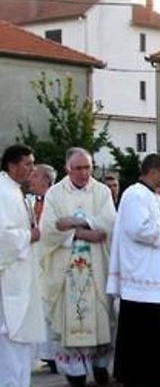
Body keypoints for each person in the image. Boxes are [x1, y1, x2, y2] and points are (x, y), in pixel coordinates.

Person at [39, 148, 117, 387]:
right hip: (66, 272)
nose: (85, 173)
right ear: (67, 169)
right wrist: (83, 232)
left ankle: (100, 366)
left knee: (101, 318)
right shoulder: (55, 193)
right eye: (79, 168)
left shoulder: (102, 191)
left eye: (88, 168)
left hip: (96, 268)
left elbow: (108, 225)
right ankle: (75, 372)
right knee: (69, 322)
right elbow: (50, 229)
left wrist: (74, 223)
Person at [107, 153, 160, 387]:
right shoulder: (135, 194)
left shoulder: (154, 197)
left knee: (155, 332)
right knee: (142, 334)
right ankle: (139, 376)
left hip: (152, 277)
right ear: (153, 171)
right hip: (141, 279)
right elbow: (139, 229)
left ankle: (155, 375)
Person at [0, 144, 46, 386]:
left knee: (19, 343)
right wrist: (29, 236)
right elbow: (2, 238)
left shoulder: (14, 191)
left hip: (19, 277)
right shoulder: (3, 193)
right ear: (12, 165)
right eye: (27, 164)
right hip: (7, 281)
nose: (32, 169)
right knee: (8, 339)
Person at [29, 163, 57, 373]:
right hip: (34, 261)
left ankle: (56, 354)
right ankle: (47, 354)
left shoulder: (56, 201)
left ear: (46, 180)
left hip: (52, 260)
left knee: (52, 310)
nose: (30, 178)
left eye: (35, 175)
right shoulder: (29, 201)